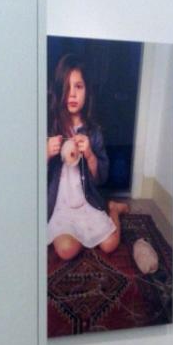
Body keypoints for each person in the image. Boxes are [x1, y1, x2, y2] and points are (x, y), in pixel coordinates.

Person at [46, 54, 127, 261]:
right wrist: (45, 153)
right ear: (58, 90)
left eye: (79, 86)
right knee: (65, 250)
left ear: (87, 91)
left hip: (87, 203)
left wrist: (90, 154)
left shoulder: (94, 132)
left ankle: (112, 209)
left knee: (110, 245)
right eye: (67, 87)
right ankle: (80, 232)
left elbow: (101, 178)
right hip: (61, 206)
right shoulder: (51, 128)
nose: (72, 94)